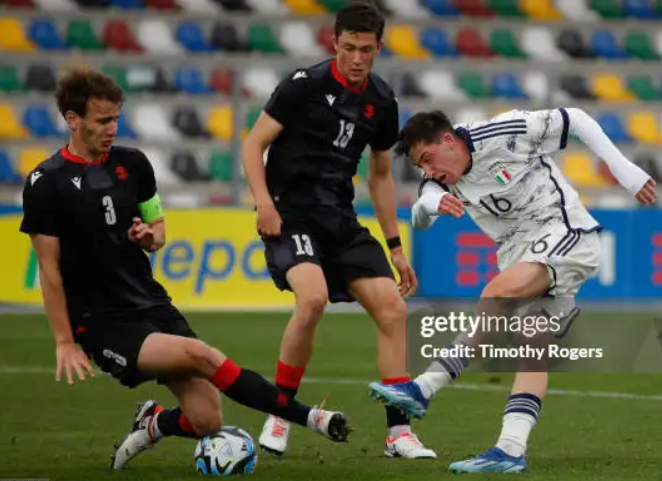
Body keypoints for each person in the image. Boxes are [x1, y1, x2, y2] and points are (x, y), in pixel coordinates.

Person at [18, 68, 352, 471]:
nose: (112, 129)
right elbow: (49, 270)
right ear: (73, 119)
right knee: (200, 354)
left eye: (116, 119)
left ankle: (154, 422)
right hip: (101, 320)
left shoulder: (133, 164)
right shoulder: (46, 182)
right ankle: (310, 417)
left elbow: (158, 229)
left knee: (207, 420)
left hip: (151, 303)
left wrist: (150, 237)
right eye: (103, 120)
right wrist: (64, 341)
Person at [368, 107, 657, 472]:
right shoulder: (440, 178)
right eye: (419, 166)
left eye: (428, 159)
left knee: (496, 293)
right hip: (519, 254)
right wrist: (431, 203)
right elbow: (420, 214)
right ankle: (510, 449)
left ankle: (424, 387)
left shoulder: (506, 131)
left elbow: (578, 118)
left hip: (565, 234)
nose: (428, 171)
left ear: (448, 140)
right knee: (531, 346)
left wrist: (624, 170)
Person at [241, 1, 435, 459]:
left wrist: (395, 247)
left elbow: (381, 176)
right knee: (312, 300)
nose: (356, 58)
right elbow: (253, 145)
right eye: (348, 48)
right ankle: (280, 412)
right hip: (291, 214)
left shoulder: (382, 101)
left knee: (393, 309)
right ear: (335, 42)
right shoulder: (303, 85)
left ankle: (398, 433)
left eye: (365, 50)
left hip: (339, 219)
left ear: (379, 48)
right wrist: (264, 204)